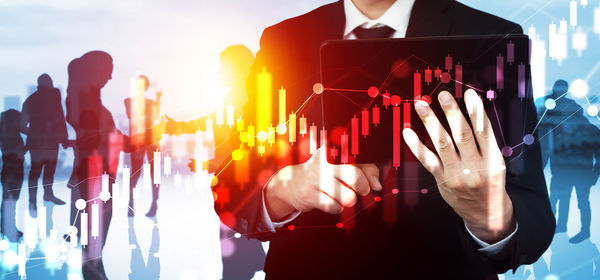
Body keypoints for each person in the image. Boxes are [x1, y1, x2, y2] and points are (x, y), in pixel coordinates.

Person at [212, 0, 555, 279]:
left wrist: (487, 215)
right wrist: (281, 190)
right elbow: (232, 191)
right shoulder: (282, 41)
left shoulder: (492, 37)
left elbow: (534, 220)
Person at [65, 51, 129, 280]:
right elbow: (98, 138)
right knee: (91, 251)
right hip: (94, 181)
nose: (110, 76)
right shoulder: (85, 104)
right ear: (95, 70)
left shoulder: (87, 102)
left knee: (92, 251)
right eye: (108, 69)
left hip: (97, 180)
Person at [538, 80, 600, 244]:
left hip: (580, 173)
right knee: (560, 198)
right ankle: (561, 226)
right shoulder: (557, 127)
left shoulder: (588, 130)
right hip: (563, 171)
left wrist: (594, 174)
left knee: (580, 202)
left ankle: (584, 230)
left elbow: (598, 153)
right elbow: (550, 147)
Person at [21, 73, 69, 218]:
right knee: (46, 171)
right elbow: (60, 116)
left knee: (37, 172)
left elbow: (22, 125)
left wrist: (34, 133)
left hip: (39, 143)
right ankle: (47, 196)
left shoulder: (31, 100)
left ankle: (35, 201)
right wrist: (63, 137)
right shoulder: (54, 96)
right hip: (49, 142)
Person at [124, 75, 162, 217]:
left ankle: (154, 204)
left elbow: (154, 117)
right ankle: (131, 204)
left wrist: (158, 100)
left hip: (151, 140)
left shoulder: (150, 102)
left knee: (153, 174)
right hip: (139, 140)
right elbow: (137, 116)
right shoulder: (128, 101)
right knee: (135, 173)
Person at [0, 109, 26, 242]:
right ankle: (8, 229)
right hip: (13, 170)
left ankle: (7, 227)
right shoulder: (11, 134)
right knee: (10, 200)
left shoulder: (5, 132)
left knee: (8, 200)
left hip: (9, 169)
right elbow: (15, 151)